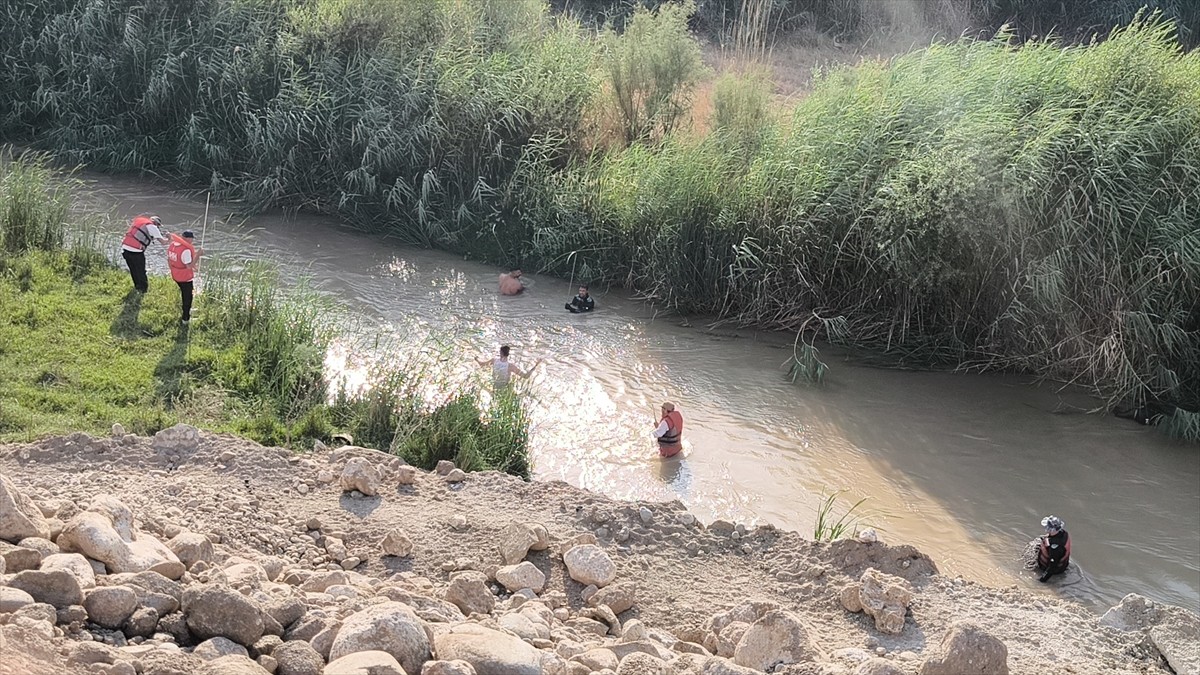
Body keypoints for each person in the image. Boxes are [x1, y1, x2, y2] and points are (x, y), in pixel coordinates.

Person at [120, 214, 168, 293]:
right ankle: (143, 290)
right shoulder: (153, 227)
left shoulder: (140, 223)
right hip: (136, 251)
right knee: (141, 271)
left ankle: (137, 287)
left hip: (125, 249)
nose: (158, 227)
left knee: (133, 269)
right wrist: (169, 238)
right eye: (158, 225)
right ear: (156, 223)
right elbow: (163, 242)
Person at [166, 230, 202, 325]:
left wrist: (173, 270)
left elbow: (169, 260)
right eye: (192, 239)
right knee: (187, 297)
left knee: (184, 293)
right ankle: (185, 319)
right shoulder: (185, 250)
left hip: (175, 275)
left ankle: (188, 310)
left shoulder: (172, 245)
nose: (192, 241)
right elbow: (189, 266)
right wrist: (198, 255)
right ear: (188, 239)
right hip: (185, 278)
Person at [1036, 515, 1071, 582]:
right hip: (1062, 564)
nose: (1046, 529)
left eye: (1047, 527)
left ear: (1052, 530)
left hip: (1055, 570)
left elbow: (1052, 568)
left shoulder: (1055, 548)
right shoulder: (1063, 533)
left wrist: (1041, 580)